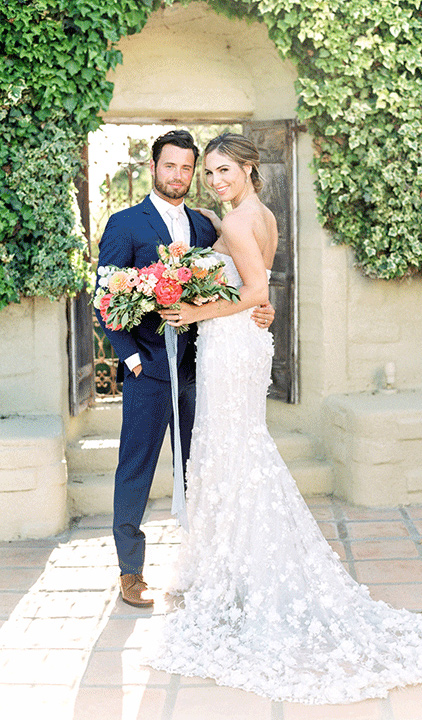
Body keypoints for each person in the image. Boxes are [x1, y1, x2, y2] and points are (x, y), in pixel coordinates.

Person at [144, 133, 422, 704]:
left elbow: (254, 290)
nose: (215, 181)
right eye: (209, 173)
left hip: (232, 343)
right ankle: (236, 565)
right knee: (235, 447)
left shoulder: (240, 222)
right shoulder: (257, 213)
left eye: (224, 171)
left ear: (249, 168)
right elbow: (255, 288)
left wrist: (193, 310)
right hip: (244, 342)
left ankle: (239, 571)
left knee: (230, 447)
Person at [94, 130, 274, 608]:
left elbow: (242, 280)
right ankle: (131, 570)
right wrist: (130, 357)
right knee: (136, 468)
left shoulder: (204, 226)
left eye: (187, 168)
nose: (179, 175)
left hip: (204, 370)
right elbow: (104, 298)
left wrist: (262, 309)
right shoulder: (125, 224)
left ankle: (209, 561)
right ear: (153, 167)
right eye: (169, 166)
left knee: (203, 470)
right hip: (147, 372)